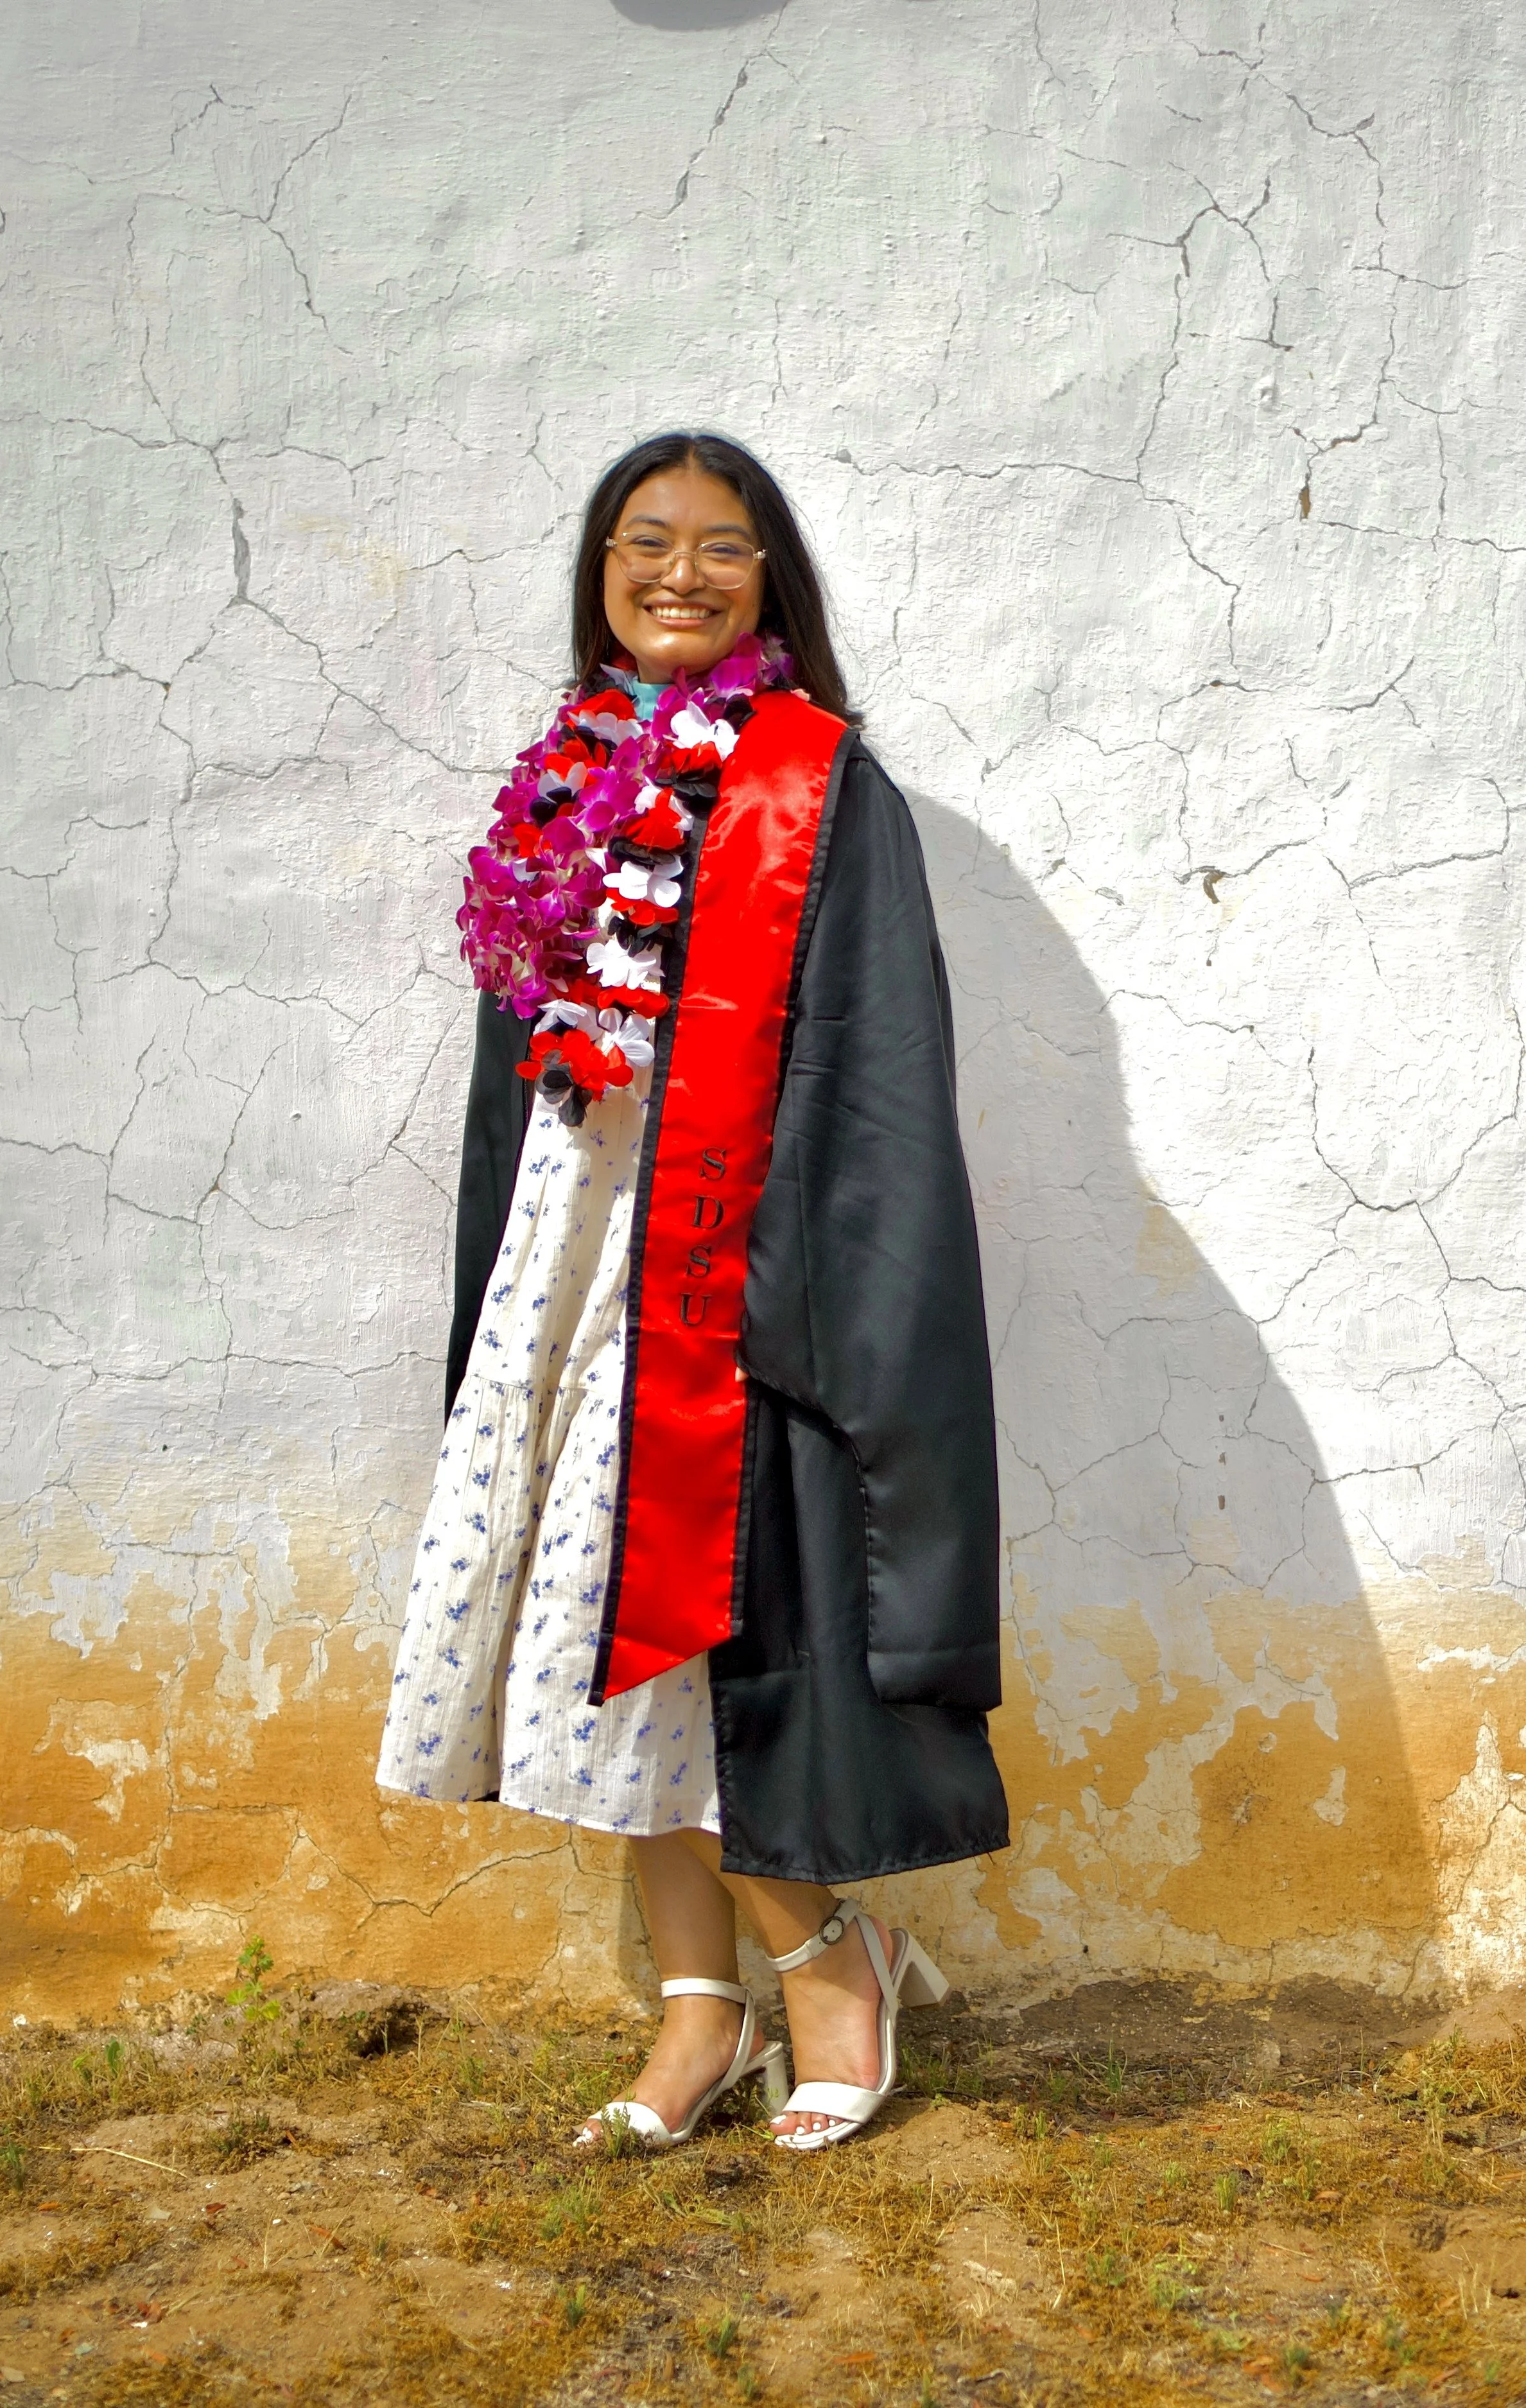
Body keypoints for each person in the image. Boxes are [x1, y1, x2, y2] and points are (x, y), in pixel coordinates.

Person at [378, 431, 1009, 2151]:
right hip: (575, 1264)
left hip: (739, 1266)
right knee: (591, 1646)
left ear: (768, 582)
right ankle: (695, 2012)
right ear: (599, 570)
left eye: (722, 547)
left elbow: (878, 1057)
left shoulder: (818, 782)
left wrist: (808, 1292)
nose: (679, 571)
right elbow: (524, 1064)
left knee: (722, 1637)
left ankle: (828, 1959)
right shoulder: (565, 777)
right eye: (644, 541)